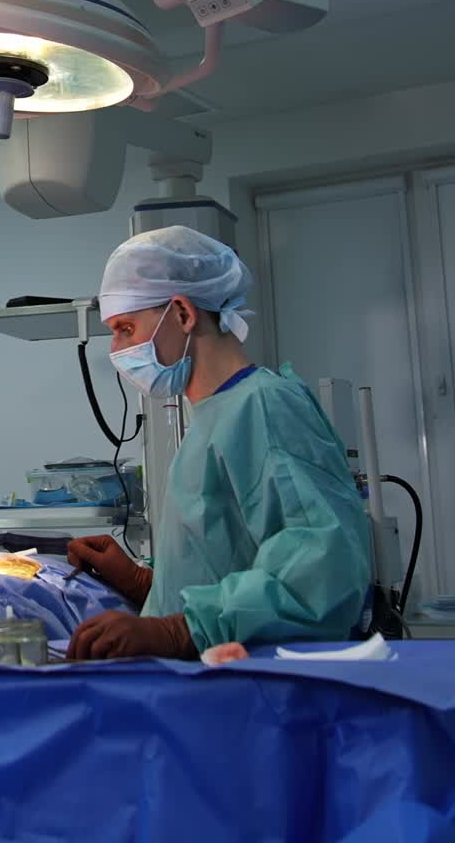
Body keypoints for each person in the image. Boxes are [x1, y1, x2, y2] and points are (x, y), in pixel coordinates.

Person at [66, 225, 371, 661]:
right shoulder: (215, 417)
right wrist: (139, 581)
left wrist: (177, 630)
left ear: (183, 314)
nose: (116, 349)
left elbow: (320, 574)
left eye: (126, 328)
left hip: (255, 686)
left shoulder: (264, 407)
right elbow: (230, 566)